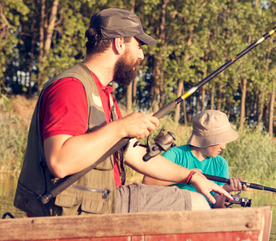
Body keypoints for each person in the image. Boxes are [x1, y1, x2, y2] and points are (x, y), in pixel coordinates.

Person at [13, 8, 232, 217]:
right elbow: (60, 162)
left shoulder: (105, 95)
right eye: (139, 46)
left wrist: (191, 175)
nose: (142, 55)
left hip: (103, 199)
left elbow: (134, 154)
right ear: (120, 43)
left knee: (195, 200)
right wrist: (120, 128)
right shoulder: (71, 87)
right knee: (197, 205)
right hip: (78, 207)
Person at [143, 110, 246, 208]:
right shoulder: (175, 155)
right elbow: (147, 182)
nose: (223, 147)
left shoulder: (221, 163)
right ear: (206, 138)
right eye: (220, 140)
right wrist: (187, 177)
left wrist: (226, 191)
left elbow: (218, 207)